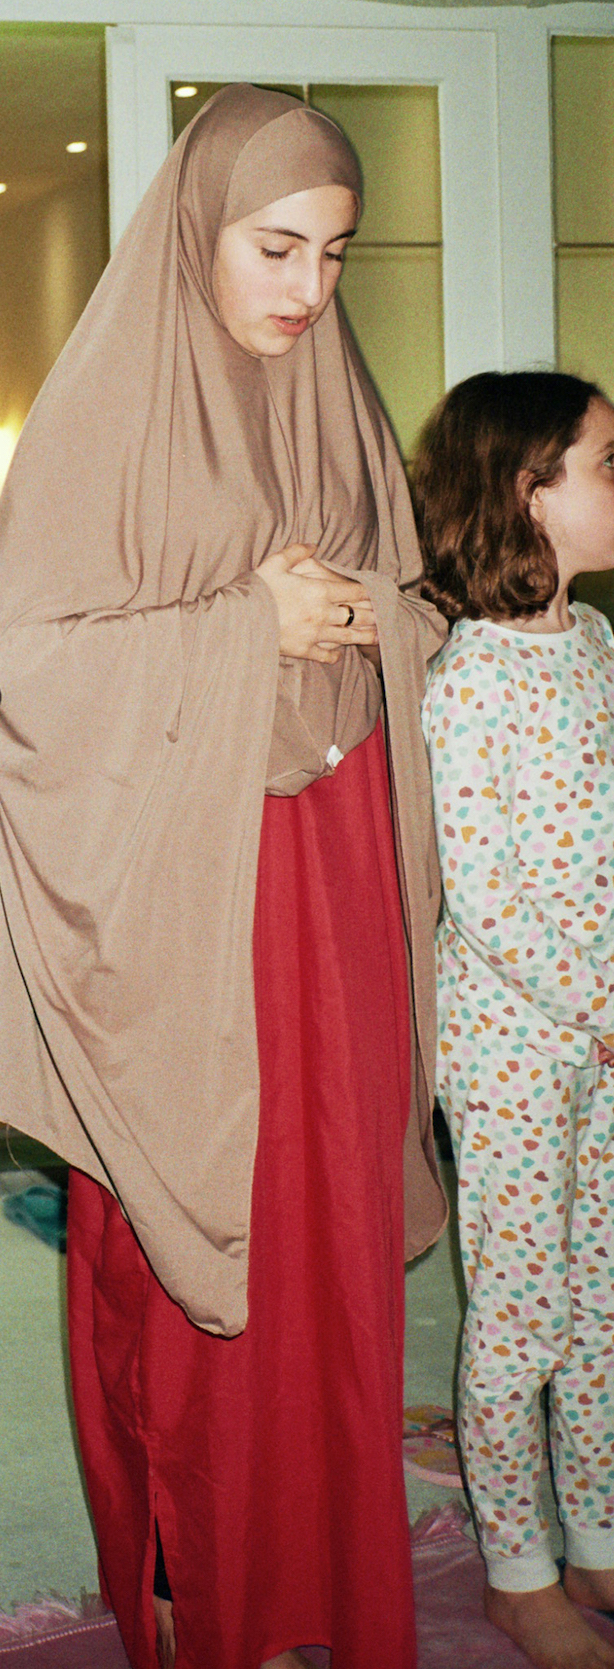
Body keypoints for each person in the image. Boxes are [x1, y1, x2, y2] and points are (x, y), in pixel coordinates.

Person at [0, 84, 448, 1669]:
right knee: (200, 1263)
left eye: (332, 254)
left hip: (337, 891)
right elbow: (22, 671)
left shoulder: (339, 396)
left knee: (326, 1255)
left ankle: (320, 1587)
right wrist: (240, 630)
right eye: (273, 246)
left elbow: (415, 608)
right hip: (192, 903)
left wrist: (370, 617)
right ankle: (207, 1605)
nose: (306, 289)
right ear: (197, 235)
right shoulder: (108, 411)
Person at [416, 371, 614, 1669]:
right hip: (517, 1050)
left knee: (603, 1300)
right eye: (606, 460)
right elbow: (486, 892)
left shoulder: (595, 647)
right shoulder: (468, 678)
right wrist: (598, 1010)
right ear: (527, 491)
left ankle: (594, 1535)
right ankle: (518, 1565)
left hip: (602, 1036)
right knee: (524, 1315)